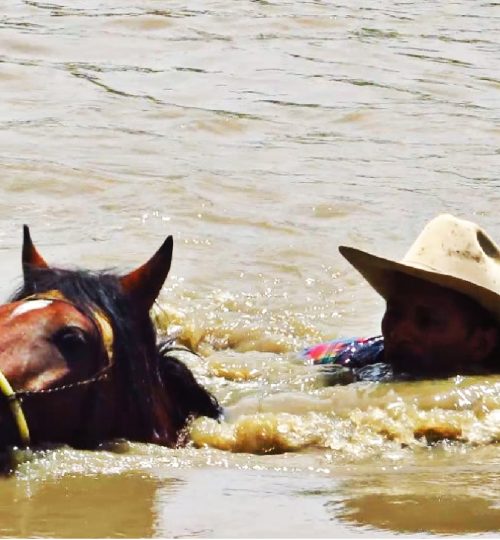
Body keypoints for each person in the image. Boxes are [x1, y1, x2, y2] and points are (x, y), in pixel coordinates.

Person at [301, 214, 500, 380]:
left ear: (481, 343)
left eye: (427, 320)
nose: (399, 331)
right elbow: (298, 360)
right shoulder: (360, 355)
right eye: (395, 312)